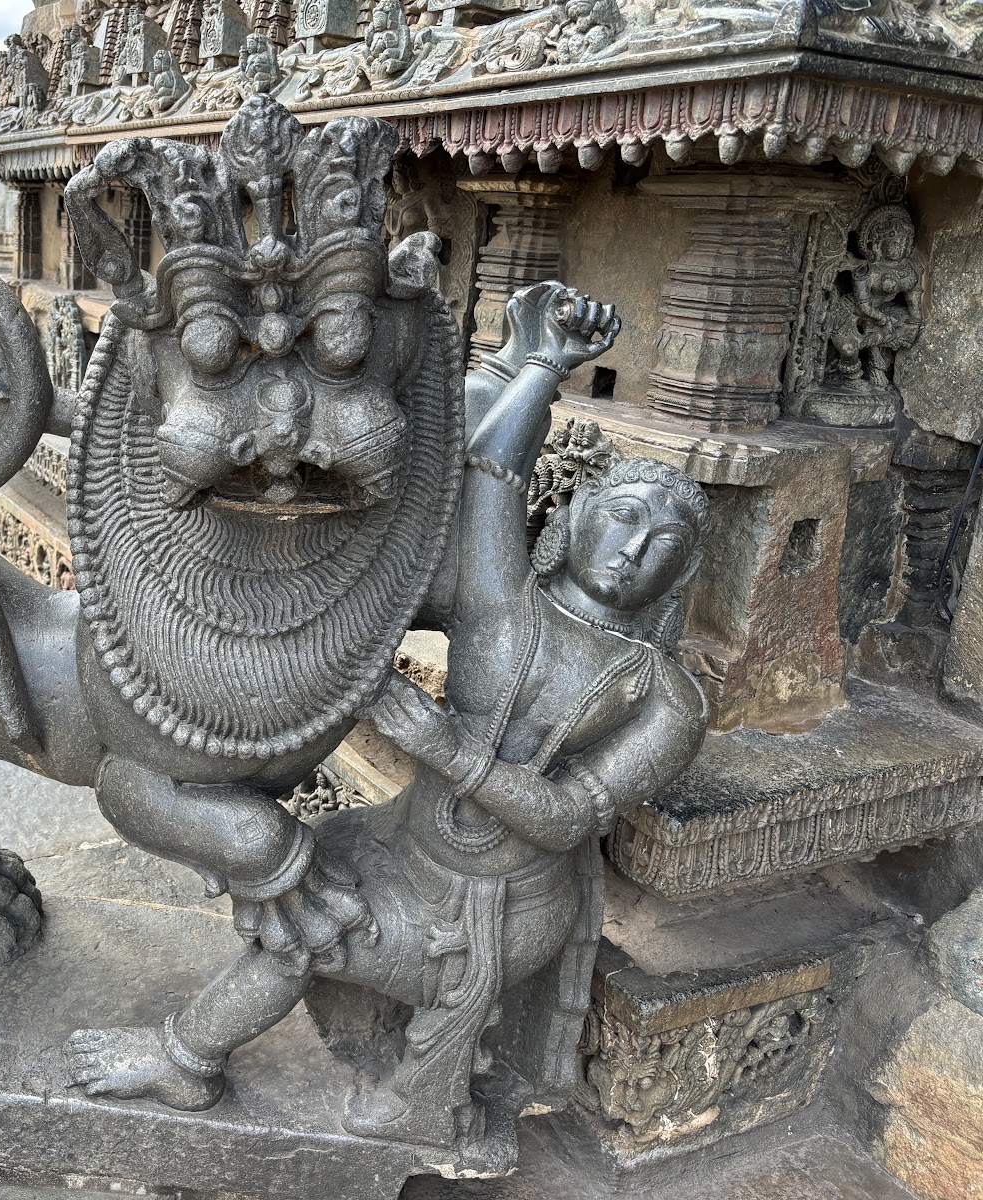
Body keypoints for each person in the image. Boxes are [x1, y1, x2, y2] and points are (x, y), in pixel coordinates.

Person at [65, 285, 712, 1156]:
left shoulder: (668, 698)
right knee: (289, 879)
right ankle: (354, 1026)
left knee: (306, 932)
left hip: (499, 908)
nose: (636, 549)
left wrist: (447, 749)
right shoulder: (503, 603)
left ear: (679, 575)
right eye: (624, 518)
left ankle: (192, 1060)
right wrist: (546, 367)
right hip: (403, 841)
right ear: (575, 518)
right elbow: (491, 475)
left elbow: (568, 818)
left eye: (665, 544)